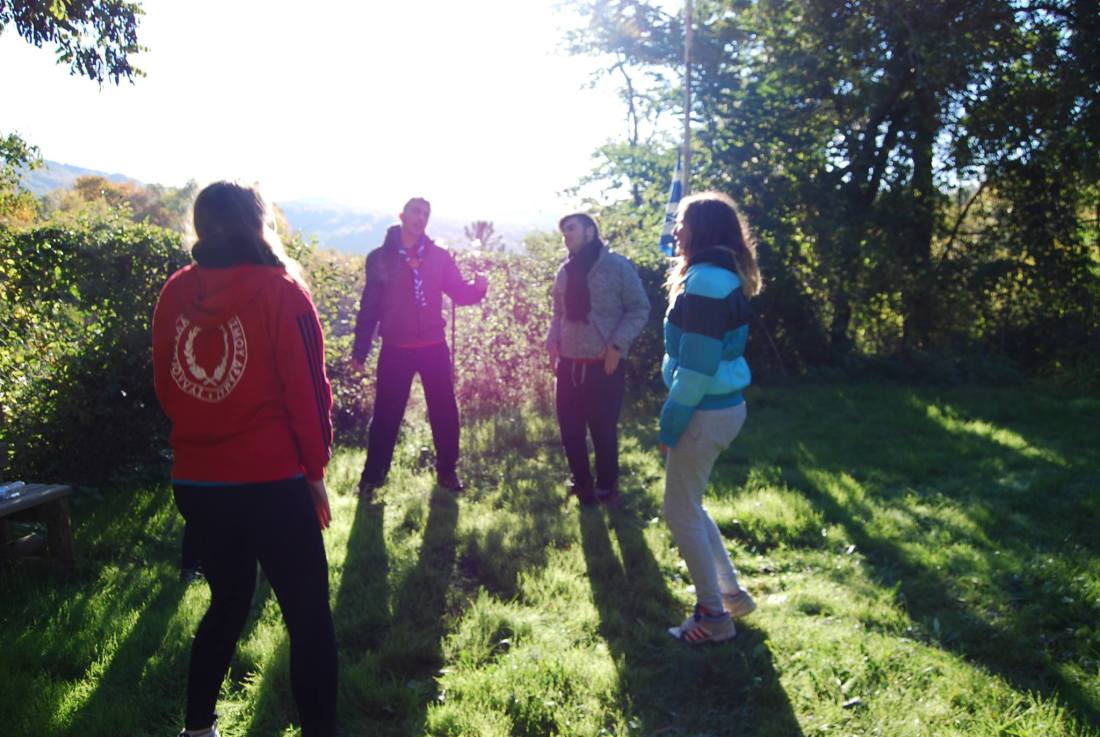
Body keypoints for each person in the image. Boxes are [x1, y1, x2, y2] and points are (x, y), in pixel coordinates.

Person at [153, 181, 338, 737]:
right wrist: (314, 472)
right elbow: (309, 392)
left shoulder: (175, 291)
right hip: (272, 482)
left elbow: (166, 384)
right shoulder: (283, 292)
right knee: (308, 618)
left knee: (229, 601)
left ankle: (197, 729)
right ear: (259, 223)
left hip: (198, 483)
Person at [659, 191, 762, 644]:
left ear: (701, 230)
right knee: (690, 505)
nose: (676, 230)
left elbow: (698, 368)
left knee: (679, 512)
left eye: (682, 222)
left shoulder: (703, 282)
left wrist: (670, 424)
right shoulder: (721, 275)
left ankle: (713, 618)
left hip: (704, 411)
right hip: (722, 408)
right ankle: (730, 596)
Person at [352, 197, 488, 495]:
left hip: (433, 346)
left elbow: (459, 292)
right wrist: (360, 350)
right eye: (415, 212)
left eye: (426, 214)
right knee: (386, 415)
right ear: (402, 215)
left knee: (444, 412)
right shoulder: (380, 258)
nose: (421, 218)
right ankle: (372, 478)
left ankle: (447, 472)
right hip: (395, 348)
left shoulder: (439, 256)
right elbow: (369, 307)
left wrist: (478, 290)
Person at [547, 213, 650, 506]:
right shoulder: (565, 271)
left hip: (604, 364)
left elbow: (639, 308)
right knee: (570, 430)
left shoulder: (618, 267)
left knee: (603, 429)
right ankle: (581, 483)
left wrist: (617, 346)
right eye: (563, 230)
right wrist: (552, 341)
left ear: (590, 232)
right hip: (568, 364)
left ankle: (607, 487)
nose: (566, 235)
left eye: (571, 228)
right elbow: (558, 312)